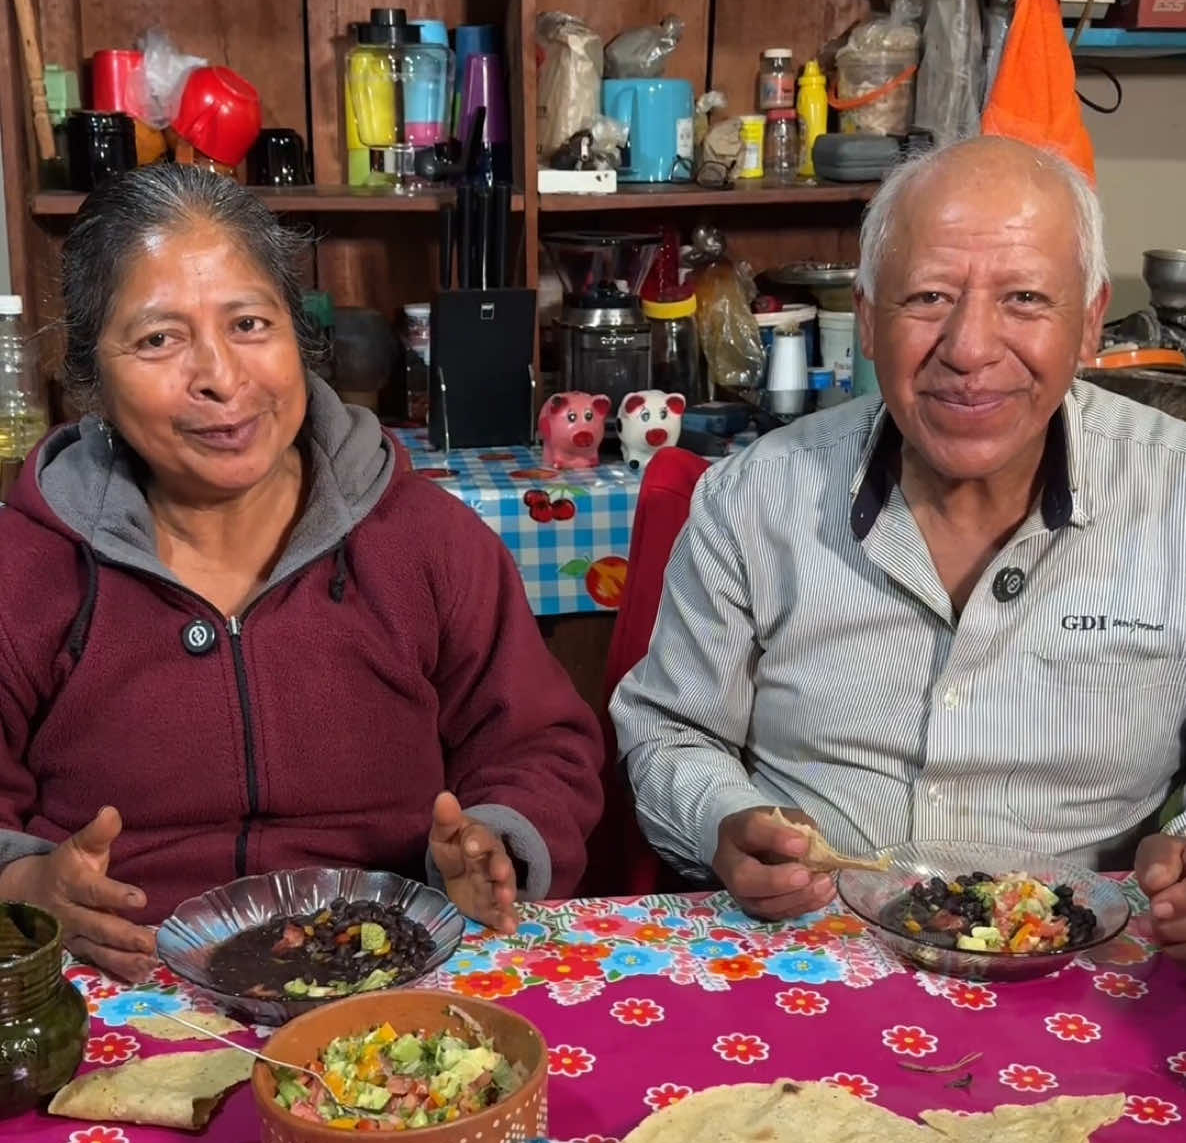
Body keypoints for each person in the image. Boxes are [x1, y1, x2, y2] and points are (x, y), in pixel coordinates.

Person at [0, 165, 602, 980]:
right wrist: (25, 882)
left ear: (296, 335)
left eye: (250, 323)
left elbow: (540, 744)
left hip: (399, 976)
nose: (220, 375)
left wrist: (496, 838)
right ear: (90, 377)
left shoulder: (424, 541)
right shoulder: (28, 571)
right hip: (125, 990)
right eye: (158, 339)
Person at [612, 136, 1186, 960]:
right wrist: (721, 820)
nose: (970, 349)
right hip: (811, 953)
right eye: (928, 297)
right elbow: (669, 728)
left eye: (1025, 298)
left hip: (1083, 969)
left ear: (1090, 322)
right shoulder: (757, 496)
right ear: (870, 319)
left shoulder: (1175, 495)